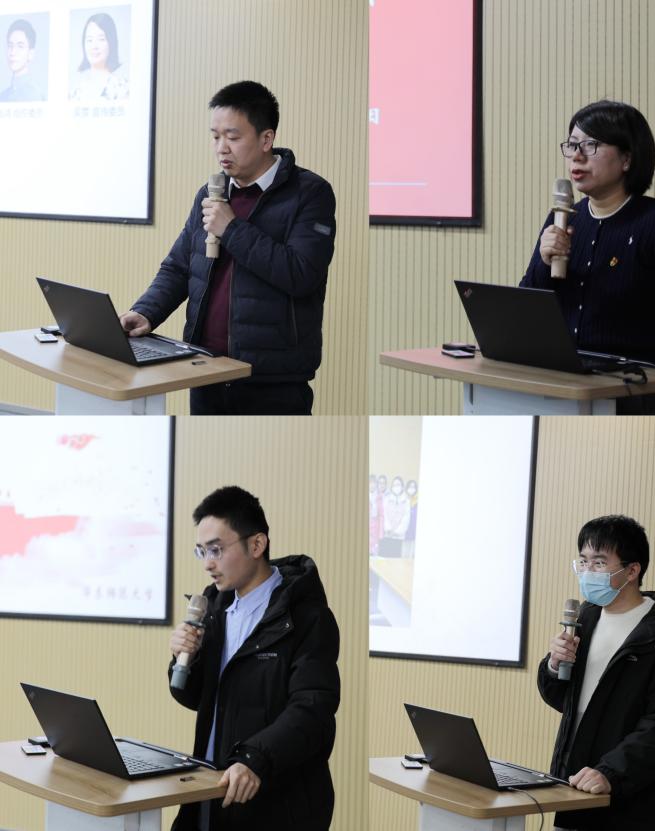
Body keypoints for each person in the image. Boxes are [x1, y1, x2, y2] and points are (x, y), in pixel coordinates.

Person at [121, 81, 337, 414]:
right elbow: (179, 266)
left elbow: (301, 274)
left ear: (266, 139)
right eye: (215, 136)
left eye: (233, 137)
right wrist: (146, 312)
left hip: (271, 380)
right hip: (205, 369)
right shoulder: (211, 193)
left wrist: (232, 228)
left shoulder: (309, 193)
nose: (221, 148)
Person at [521, 100, 655, 414]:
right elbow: (527, 307)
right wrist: (545, 263)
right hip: (572, 382)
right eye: (572, 145)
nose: (577, 156)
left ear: (627, 158)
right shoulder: (563, 218)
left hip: (642, 385)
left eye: (591, 145)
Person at [167, 486, 340, 830]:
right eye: (201, 551)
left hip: (277, 803)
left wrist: (254, 759)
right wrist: (185, 659)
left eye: (216, 549)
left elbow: (313, 709)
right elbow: (196, 697)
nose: (207, 563)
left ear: (257, 544)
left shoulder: (305, 616)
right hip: (213, 791)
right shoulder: (214, 609)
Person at [538, 515, 655, 830]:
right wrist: (553, 665)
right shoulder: (585, 619)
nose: (588, 572)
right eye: (583, 561)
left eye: (599, 563)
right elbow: (565, 701)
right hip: (574, 787)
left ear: (632, 570)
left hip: (631, 798)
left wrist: (611, 773)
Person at [69, 13, 128, 100]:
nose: (94, 46)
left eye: (101, 39)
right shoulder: (75, 93)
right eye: (89, 40)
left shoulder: (123, 88)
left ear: (111, 42)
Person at [1, 19, 44, 102]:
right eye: (10, 46)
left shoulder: (35, 96)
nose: (12, 52)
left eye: (20, 46)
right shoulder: (3, 96)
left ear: (30, 54)